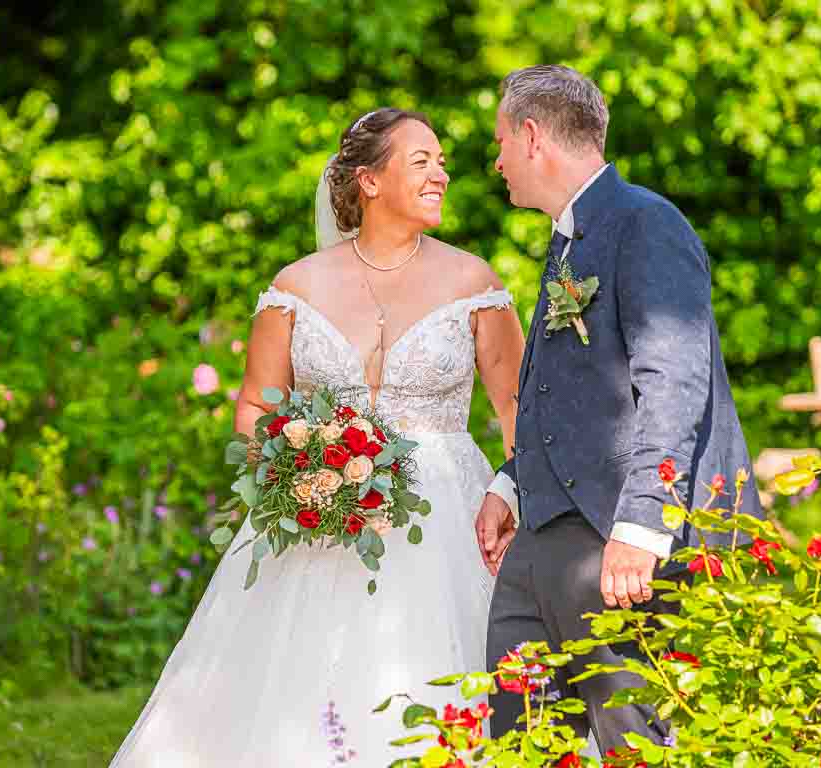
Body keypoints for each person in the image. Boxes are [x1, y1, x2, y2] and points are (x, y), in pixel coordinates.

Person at [110, 107, 527, 766]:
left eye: (442, 161)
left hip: (450, 514)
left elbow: (520, 413)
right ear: (368, 181)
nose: (441, 175)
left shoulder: (474, 284)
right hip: (319, 521)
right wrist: (300, 469)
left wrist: (510, 493)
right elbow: (254, 406)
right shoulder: (294, 288)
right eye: (423, 161)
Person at [476, 65, 764, 753]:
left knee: (633, 738)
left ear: (532, 135)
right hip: (546, 538)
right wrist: (511, 483)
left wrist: (640, 524)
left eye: (500, 143)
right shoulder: (569, 237)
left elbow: (674, 380)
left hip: (616, 535)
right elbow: (562, 387)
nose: (496, 162)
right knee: (522, 732)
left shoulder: (645, 224)